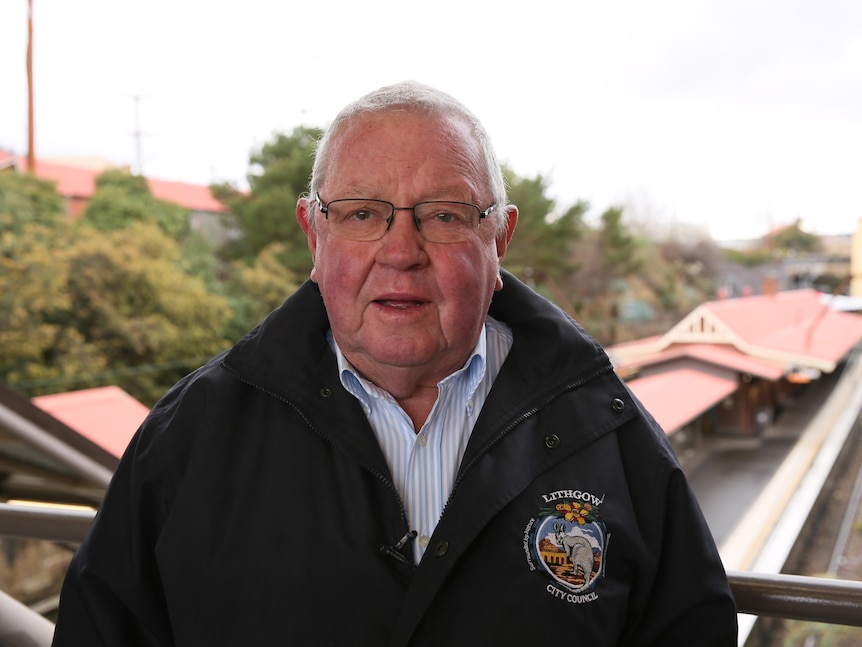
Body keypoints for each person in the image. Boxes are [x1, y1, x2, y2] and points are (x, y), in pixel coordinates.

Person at [52, 80, 737, 646]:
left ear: (499, 236)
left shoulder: (610, 435)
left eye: (443, 214)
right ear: (312, 235)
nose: (401, 250)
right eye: (361, 214)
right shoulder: (190, 439)